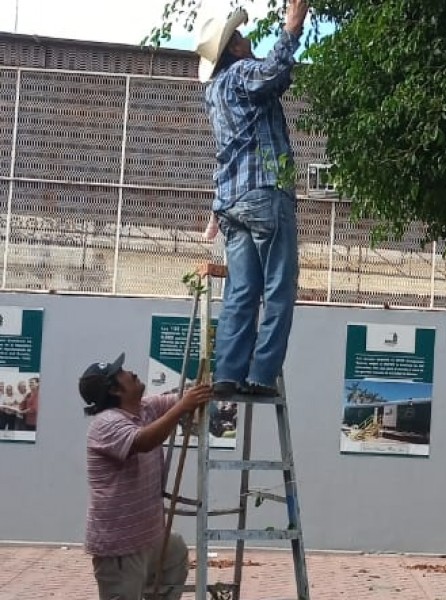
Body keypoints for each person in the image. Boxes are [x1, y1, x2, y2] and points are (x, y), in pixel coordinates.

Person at [194, 0, 309, 398]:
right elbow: (272, 72)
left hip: (232, 203)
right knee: (278, 288)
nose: (246, 41)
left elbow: (228, 151)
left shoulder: (213, 93)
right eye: (240, 38)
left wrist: (215, 209)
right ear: (233, 50)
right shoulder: (243, 74)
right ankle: (261, 375)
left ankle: (227, 373)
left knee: (241, 292)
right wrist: (292, 29)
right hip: (264, 194)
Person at [79, 352, 212, 600]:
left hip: (148, 535)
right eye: (121, 373)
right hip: (120, 545)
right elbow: (144, 440)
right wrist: (183, 407)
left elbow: (184, 398)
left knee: (175, 554)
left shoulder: (144, 408)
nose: (130, 372)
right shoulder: (106, 423)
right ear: (115, 391)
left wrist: (208, 384)